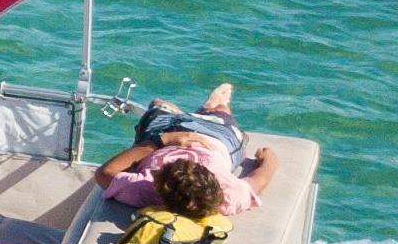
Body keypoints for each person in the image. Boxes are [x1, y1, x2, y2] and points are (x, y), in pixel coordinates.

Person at [90, 81, 276, 214]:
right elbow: (259, 179)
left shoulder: (144, 189)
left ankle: (187, 111)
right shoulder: (227, 195)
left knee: (157, 104)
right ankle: (210, 108)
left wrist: (163, 141)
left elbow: (104, 172)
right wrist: (269, 159)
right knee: (224, 116)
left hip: (167, 136)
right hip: (215, 139)